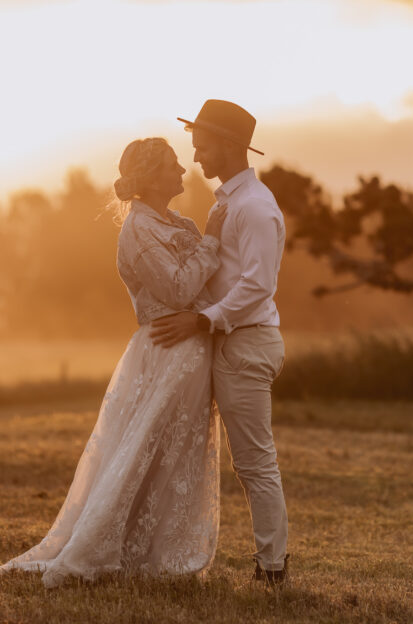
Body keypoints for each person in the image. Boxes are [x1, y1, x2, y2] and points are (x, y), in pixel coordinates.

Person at [0, 137, 228, 588]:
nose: (183, 169)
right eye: (172, 164)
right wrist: (213, 241)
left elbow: (202, 287)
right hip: (165, 354)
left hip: (193, 352)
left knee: (178, 453)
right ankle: (99, 547)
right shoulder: (138, 228)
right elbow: (178, 290)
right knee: (141, 447)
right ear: (151, 176)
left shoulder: (178, 221)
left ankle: (161, 549)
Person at [150, 100, 290, 585]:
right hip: (234, 342)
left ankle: (272, 570)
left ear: (230, 147)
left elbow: (257, 287)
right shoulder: (228, 202)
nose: (197, 158)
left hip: (246, 344)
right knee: (247, 462)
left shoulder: (253, 207)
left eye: (203, 147)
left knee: (255, 463)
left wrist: (201, 322)